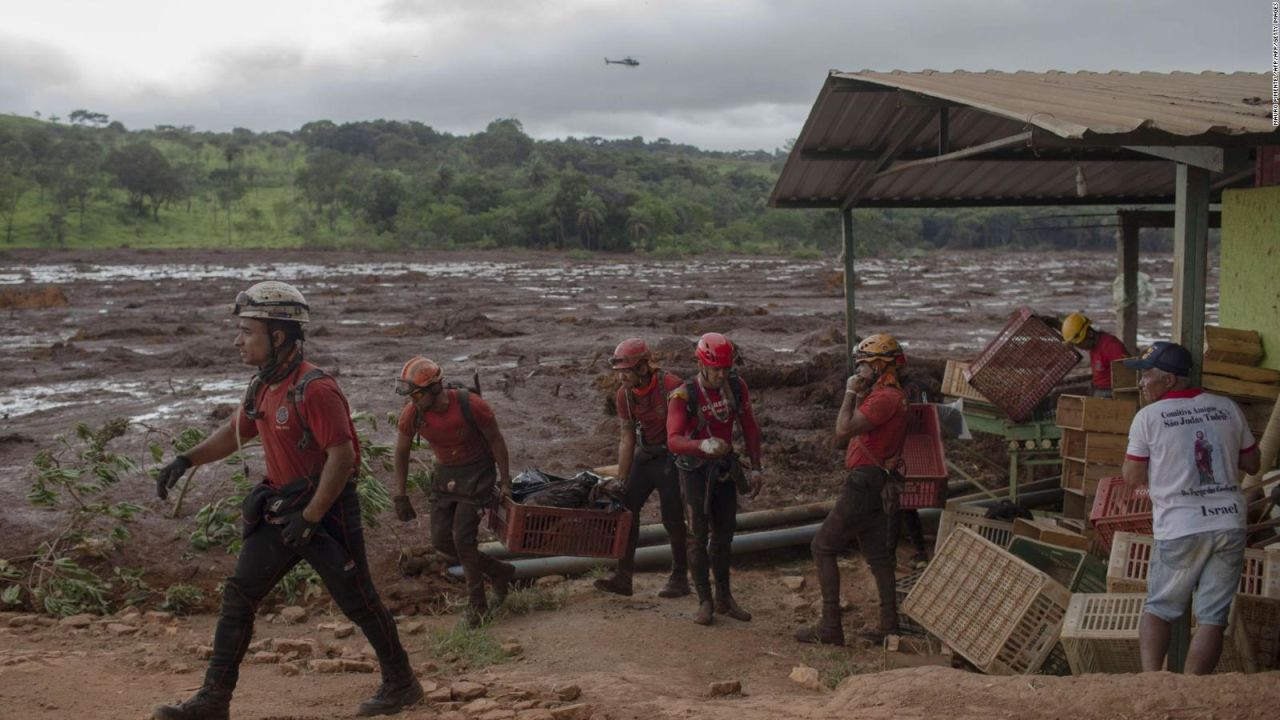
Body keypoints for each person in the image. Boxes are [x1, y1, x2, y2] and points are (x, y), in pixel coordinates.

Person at [151, 281, 422, 719]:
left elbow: (342, 457)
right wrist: (186, 459)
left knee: (359, 601)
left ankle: (403, 684)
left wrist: (313, 517)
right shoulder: (262, 386)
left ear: (278, 336)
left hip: (327, 512)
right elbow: (237, 431)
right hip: (281, 508)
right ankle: (213, 701)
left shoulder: (315, 389)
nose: (237, 340)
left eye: (247, 331)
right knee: (240, 595)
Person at [1120, 341, 1260, 674]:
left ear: (1169, 380)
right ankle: (1193, 691)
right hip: (1228, 522)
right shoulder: (1226, 407)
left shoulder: (1148, 418)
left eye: (1147, 375)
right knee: (1213, 618)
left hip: (1181, 527)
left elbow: (1133, 477)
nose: (1141, 383)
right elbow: (1253, 463)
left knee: (1159, 609)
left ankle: (1152, 681)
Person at [796, 334, 908, 646]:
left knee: (822, 547)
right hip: (877, 482)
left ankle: (831, 626)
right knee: (879, 557)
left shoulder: (886, 397)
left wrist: (848, 393)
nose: (859, 372)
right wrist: (859, 397)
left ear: (878, 364)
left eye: (862, 366)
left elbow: (842, 431)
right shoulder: (889, 396)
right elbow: (849, 437)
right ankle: (889, 625)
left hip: (864, 483)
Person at [390, 356, 515, 628]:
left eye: (417, 394)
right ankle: (499, 571)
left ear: (435, 388)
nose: (413, 400)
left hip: (478, 472)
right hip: (446, 473)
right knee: (441, 541)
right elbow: (401, 452)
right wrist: (400, 494)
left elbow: (496, 440)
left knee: (462, 537)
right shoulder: (413, 413)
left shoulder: (471, 406)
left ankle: (477, 605)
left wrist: (505, 482)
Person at [666, 332, 764, 625]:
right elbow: (673, 439)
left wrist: (756, 466)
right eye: (716, 369)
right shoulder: (685, 395)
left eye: (726, 368)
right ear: (701, 364)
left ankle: (724, 598)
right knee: (697, 535)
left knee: (725, 535)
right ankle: (704, 601)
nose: (722, 374)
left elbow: (749, 426)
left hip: (723, 468)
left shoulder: (736, 386)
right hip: (694, 470)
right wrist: (701, 445)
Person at [594, 338, 691, 598]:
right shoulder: (624, 395)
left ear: (644, 367)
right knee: (626, 508)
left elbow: (688, 427)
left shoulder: (671, 385)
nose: (622, 377)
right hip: (645, 455)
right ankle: (623, 577)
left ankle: (680, 577)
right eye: (619, 372)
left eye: (627, 371)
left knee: (672, 517)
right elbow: (627, 437)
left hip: (671, 456)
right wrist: (621, 479)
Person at [1062, 312, 1130, 397]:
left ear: (1090, 334)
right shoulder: (1094, 345)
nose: (1081, 348)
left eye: (1080, 344)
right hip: (1100, 390)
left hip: (1110, 393)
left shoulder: (1110, 345)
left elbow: (1129, 372)